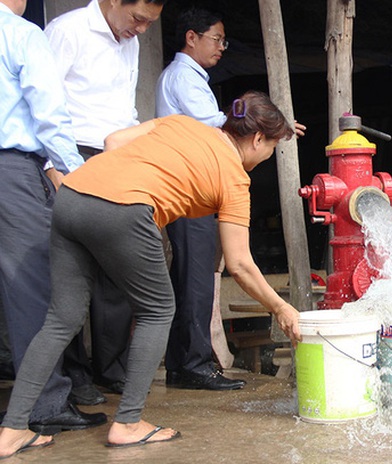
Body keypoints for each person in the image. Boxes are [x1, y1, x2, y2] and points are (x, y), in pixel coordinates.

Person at [0, 91, 302, 457]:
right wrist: (282, 309)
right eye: (271, 146)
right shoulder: (235, 179)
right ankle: (127, 423)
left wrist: (112, 188)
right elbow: (239, 264)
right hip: (125, 208)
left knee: (60, 319)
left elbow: (113, 141)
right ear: (257, 139)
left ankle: (13, 429)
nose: (269, 155)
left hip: (74, 194)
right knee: (158, 310)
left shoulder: (182, 124)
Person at [45, 0, 167, 405]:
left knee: (119, 266)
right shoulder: (67, 30)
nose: (142, 30)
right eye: (138, 19)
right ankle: (76, 375)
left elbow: (125, 111)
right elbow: (44, 102)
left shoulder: (128, 40)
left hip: (115, 155)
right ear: (114, 1)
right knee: (71, 273)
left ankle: (110, 368)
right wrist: (53, 168)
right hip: (69, 155)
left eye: (151, 23)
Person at [0, 0, 107, 444]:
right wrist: (77, 174)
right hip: (10, 171)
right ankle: (44, 405)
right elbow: (48, 113)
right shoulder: (21, 33)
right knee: (32, 289)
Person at [155, 7, 242, 391]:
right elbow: (216, 125)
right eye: (217, 39)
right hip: (189, 192)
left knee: (188, 277)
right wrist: (261, 118)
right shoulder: (183, 78)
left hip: (186, 192)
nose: (222, 47)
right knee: (196, 279)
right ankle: (195, 364)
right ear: (192, 37)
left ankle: (182, 363)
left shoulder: (189, 77)